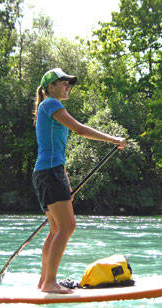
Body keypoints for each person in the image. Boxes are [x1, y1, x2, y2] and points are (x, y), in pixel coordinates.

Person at [32, 68, 127, 294]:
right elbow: (80, 129)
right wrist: (113, 139)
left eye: (69, 83)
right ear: (50, 87)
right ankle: (49, 282)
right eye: (62, 83)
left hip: (48, 173)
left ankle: (44, 281)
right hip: (49, 173)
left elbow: (55, 151)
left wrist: (65, 179)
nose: (67, 86)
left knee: (56, 228)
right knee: (67, 226)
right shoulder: (51, 104)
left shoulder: (47, 107)